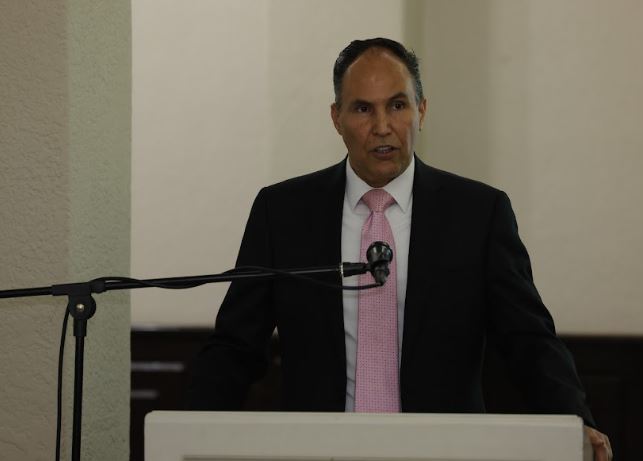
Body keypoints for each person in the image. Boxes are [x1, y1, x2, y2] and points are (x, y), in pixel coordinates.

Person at [188, 38, 612, 460]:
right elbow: (236, 346)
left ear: (421, 110)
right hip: (318, 451)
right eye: (362, 109)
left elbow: (529, 339)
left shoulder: (478, 214)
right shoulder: (283, 212)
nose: (382, 126)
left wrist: (577, 422)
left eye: (397, 105)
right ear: (336, 118)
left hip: (444, 453)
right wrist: (185, 431)